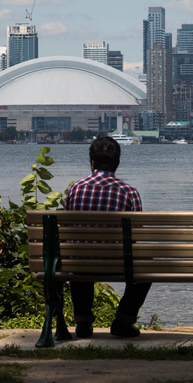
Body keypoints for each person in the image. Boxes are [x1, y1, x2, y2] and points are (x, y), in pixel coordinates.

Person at [64, 134, 150, 338]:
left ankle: (83, 321)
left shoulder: (76, 189)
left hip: (80, 263)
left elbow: (68, 229)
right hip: (120, 263)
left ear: (92, 162)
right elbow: (136, 235)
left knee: (79, 253)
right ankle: (123, 320)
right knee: (146, 266)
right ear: (117, 163)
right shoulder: (129, 192)